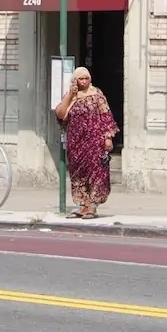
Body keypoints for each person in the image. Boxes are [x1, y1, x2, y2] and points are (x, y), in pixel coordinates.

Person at [53, 66, 117, 219]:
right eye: (80, 79)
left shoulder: (97, 95)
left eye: (86, 78)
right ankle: (83, 206)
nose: (83, 81)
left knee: (95, 172)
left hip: (95, 140)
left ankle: (93, 206)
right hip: (76, 142)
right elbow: (61, 114)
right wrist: (70, 95)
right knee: (78, 173)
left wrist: (108, 137)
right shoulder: (70, 96)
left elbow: (106, 116)